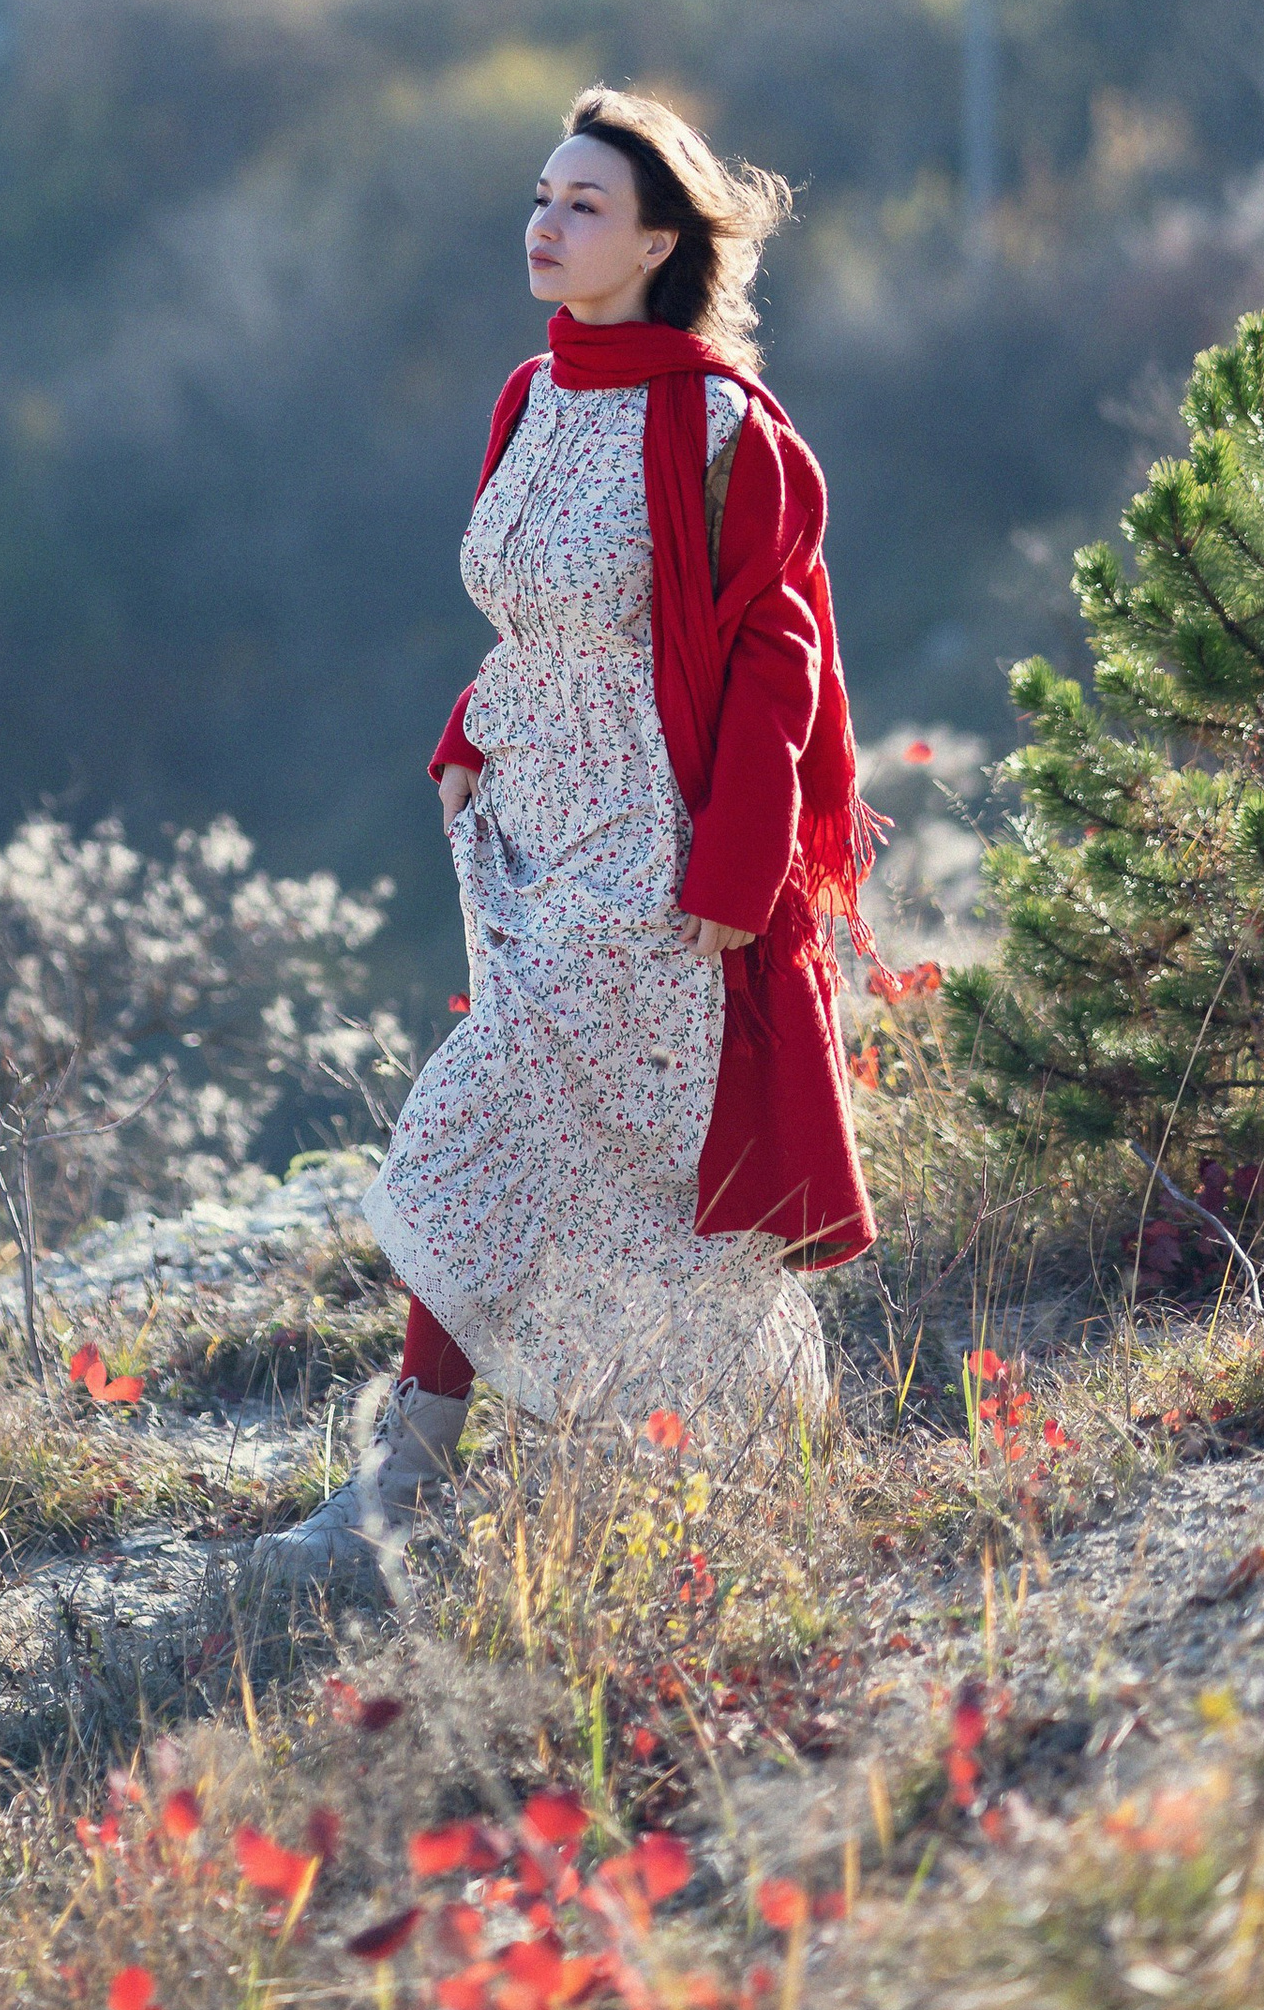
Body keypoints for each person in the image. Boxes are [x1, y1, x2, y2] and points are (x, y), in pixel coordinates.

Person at [253, 83, 885, 1597]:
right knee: (596, 1170)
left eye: (584, 204)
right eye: (539, 197)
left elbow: (777, 660)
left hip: (650, 859)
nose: (545, 224)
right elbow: (536, 615)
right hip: (523, 830)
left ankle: (402, 1487)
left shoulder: (723, 428)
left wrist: (734, 877)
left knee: (488, 1129)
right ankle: (715, 1471)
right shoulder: (531, 399)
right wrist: (469, 735)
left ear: (662, 240)